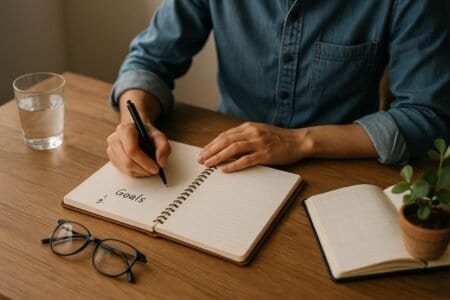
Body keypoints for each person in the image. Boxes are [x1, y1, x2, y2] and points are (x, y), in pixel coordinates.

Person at [107, 0, 450, 177]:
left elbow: (428, 116)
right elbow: (149, 60)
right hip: (228, 161)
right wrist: (133, 122)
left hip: (341, 167)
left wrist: (300, 141)